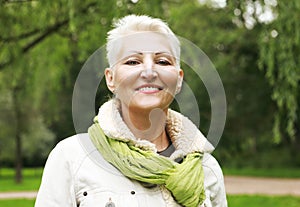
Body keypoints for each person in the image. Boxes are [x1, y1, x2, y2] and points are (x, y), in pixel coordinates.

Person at [35, 14, 227, 207]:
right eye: (133, 62)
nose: (150, 72)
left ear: (178, 79)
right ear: (111, 79)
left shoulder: (207, 169)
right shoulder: (72, 157)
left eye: (162, 62)